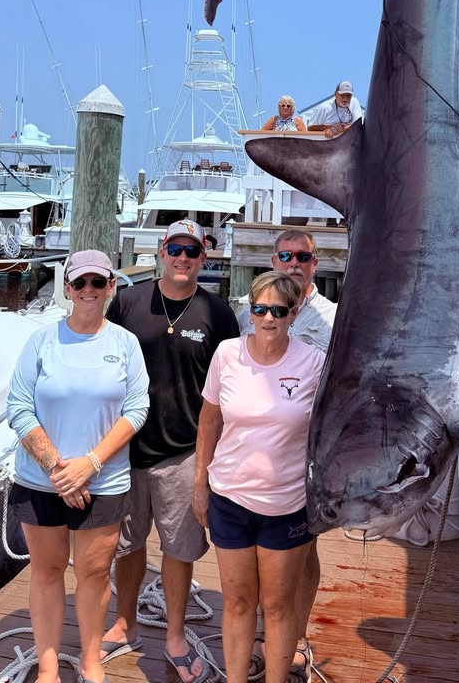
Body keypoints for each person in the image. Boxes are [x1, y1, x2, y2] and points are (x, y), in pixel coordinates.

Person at [99, 219, 238, 683]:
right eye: (175, 248)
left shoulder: (217, 313)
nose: (183, 257)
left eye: (192, 251)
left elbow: (229, 388)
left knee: (180, 550)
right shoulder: (127, 301)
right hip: (127, 449)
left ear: (204, 258)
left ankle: (175, 635)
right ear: (162, 250)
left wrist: (213, 462)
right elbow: (102, 365)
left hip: (185, 452)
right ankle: (125, 623)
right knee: (128, 544)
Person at [6, 250, 150, 683]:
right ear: (67, 289)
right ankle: (48, 665)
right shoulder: (42, 342)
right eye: (80, 282)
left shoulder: (125, 344)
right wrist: (57, 469)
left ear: (110, 288)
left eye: (98, 282)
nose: (89, 290)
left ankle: (90, 662)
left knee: (92, 575)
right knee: (47, 572)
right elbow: (18, 407)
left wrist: (89, 464)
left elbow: (137, 408)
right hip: (41, 480)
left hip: (102, 482)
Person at [194, 272, 325, 683]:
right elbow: (209, 420)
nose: (268, 318)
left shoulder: (314, 362)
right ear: (249, 309)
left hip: (288, 506)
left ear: (294, 313)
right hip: (229, 499)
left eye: (278, 311)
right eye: (260, 309)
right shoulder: (226, 355)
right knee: (236, 602)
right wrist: (200, 482)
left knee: (278, 605)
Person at [236, 230, 336, 682]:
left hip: (310, 451)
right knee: (258, 551)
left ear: (316, 262)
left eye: (303, 256)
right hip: (255, 451)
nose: (294, 263)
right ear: (273, 259)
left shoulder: (334, 317)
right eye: (285, 255)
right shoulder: (247, 311)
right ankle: (264, 635)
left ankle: (294, 640)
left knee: (302, 547)